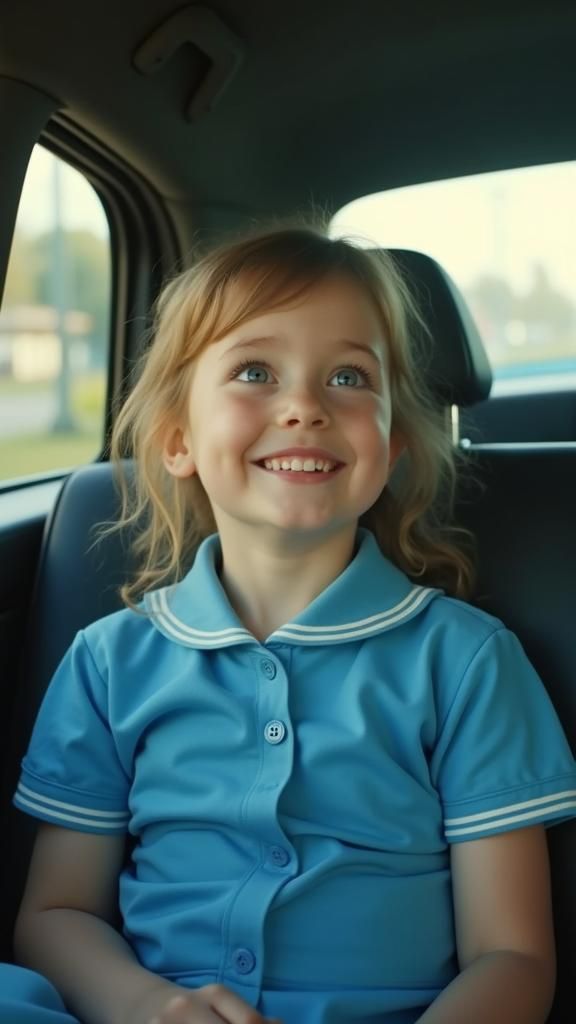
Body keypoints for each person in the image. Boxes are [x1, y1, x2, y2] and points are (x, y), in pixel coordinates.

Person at [8, 226, 576, 1024]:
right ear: (177, 439)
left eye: (348, 376)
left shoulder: (468, 662)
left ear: (393, 442)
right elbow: (55, 913)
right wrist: (147, 1007)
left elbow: (512, 956)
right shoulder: (108, 664)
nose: (305, 407)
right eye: (254, 372)